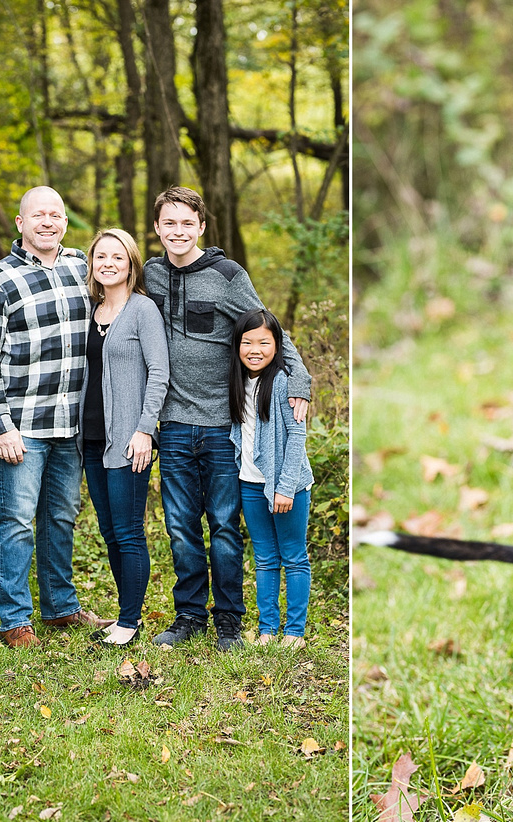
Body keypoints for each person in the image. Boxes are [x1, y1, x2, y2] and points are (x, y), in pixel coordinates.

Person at [144, 186, 311, 652]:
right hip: (174, 423)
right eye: (169, 223)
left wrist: (300, 381)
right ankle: (189, 616)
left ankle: (230, 621)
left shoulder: (226, 274)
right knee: (179, 525)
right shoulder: (152, 274)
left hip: (223, 426)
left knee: (222, 525)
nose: (178, 232)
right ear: (157, 228)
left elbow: (270, 329)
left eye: (187, 223)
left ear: (201, 227)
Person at [0, 186, 111, 648]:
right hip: (23, 426)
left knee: (60, 516)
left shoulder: (84, 267)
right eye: (37, 215)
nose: (47, 222)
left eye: (55, 215)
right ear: (20, 224)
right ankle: (15, 618)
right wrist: (0, 423)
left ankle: (60, 607)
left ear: (65, 221)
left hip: (72, 422)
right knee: (17, 519)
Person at [80, 228, 170, 648]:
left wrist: (144, 430)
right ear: (92, 265)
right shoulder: (90, 310)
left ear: (131, 263)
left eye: (118, 256)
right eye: (101, 257)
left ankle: (128, 621)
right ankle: (125, 613)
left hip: (129, 440)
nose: (109, 263)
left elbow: (159, 374)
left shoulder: (143, 310)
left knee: (130, 530)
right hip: (92, 440)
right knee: (109, 530)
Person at [229, 309, 314, 649]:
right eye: (247, 342)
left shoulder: (282, 383)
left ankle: (294, 632)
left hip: (288, 485)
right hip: (250, 483)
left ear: (277, 346)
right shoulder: (237, 382)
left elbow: (297, 436)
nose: (255, 349)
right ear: (237, 346)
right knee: (264, 558)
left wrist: (285, 485)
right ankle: (267, 629)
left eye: (264, 342)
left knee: (293, 556)